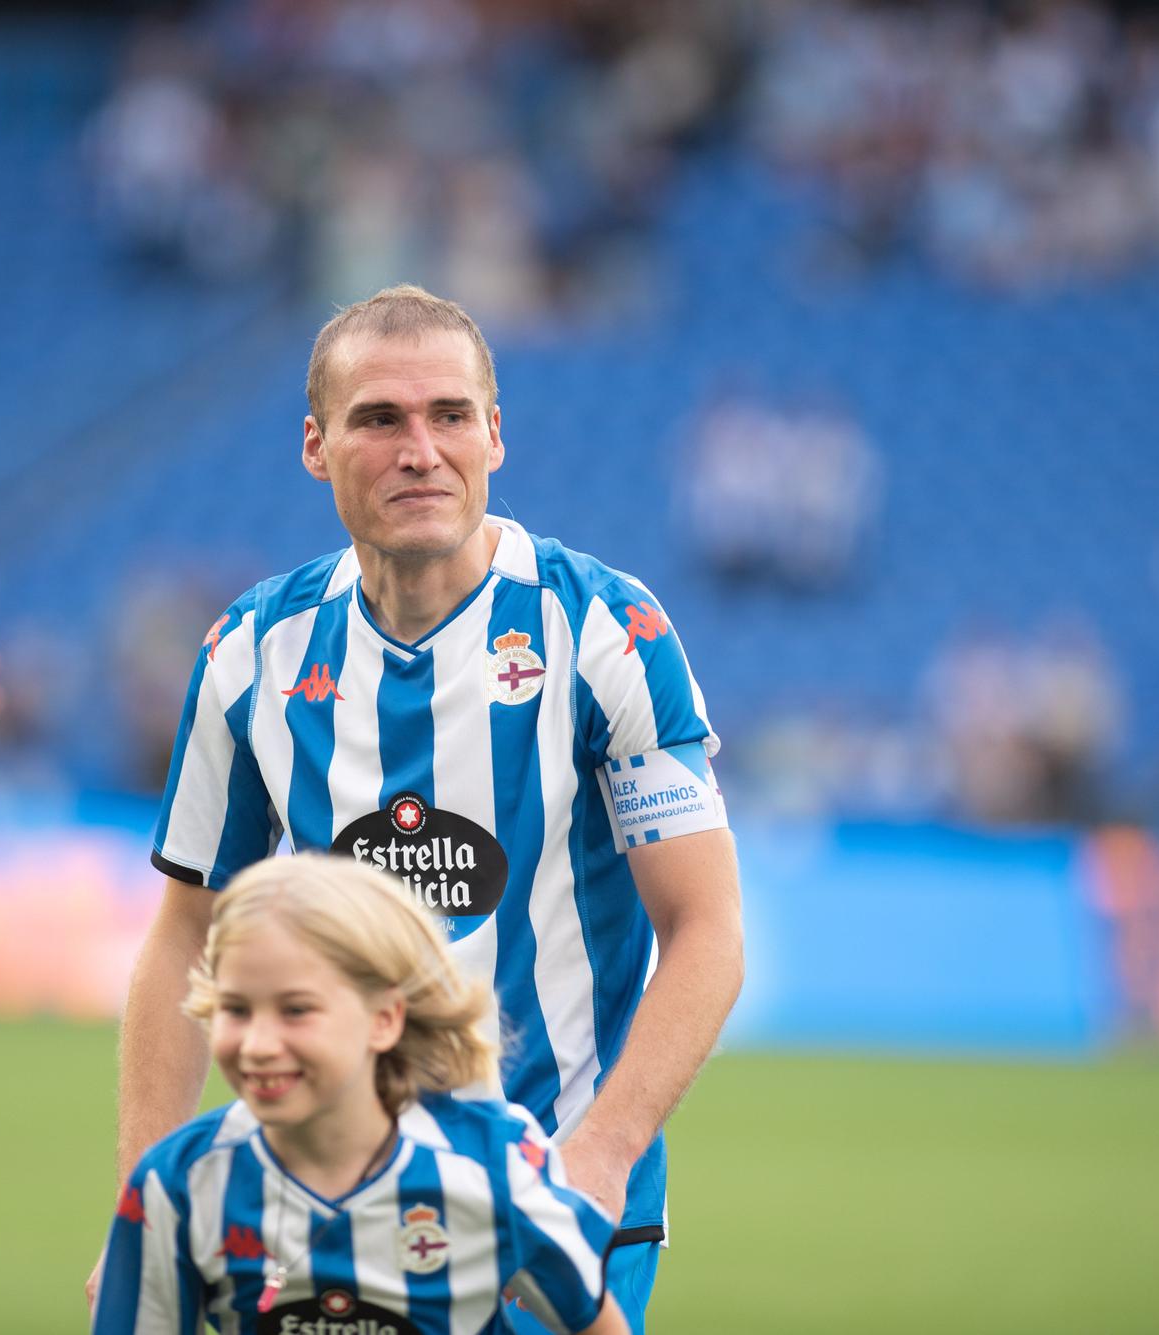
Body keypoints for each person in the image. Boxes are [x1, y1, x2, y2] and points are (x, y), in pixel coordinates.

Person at [104, 284, 744, 1331]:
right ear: (315, 447)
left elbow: (706, 927)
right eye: (379, 420)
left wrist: (602, 1153)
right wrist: (148, 1213)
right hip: (322, 1201)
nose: (421, 450)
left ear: (495, 435)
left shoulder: (602, 629)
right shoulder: (250, 653)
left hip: (556, 1194)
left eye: (450, 415)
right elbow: (185, 933)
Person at [92, 854, 630, 1335]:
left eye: (296, 1010)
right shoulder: (178, 1181)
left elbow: (592, 1320)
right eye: (236, 1009)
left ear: (384, 1019)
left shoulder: (494, 1165)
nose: (257, 1044)